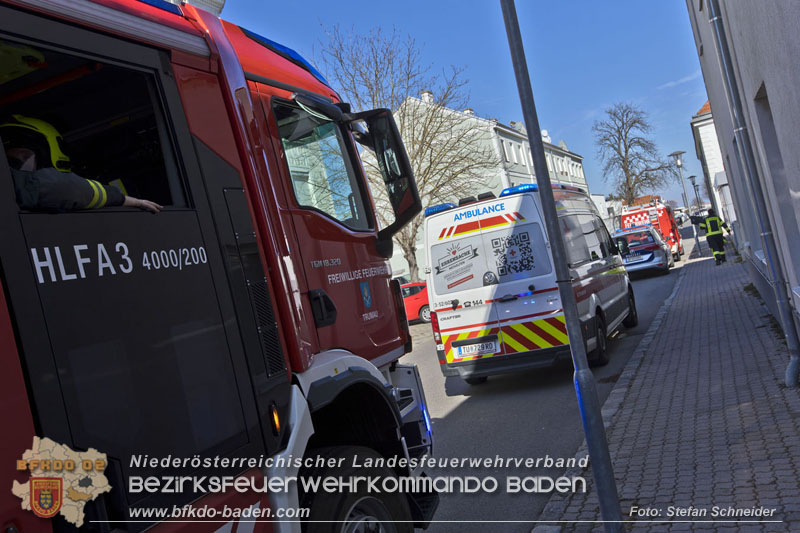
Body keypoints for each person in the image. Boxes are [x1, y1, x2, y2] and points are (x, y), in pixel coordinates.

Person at [1, 114, 161, 213]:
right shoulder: (26, 186)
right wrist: (124, 199)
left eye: (23, 158)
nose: (14, 167)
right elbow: (60, 187)